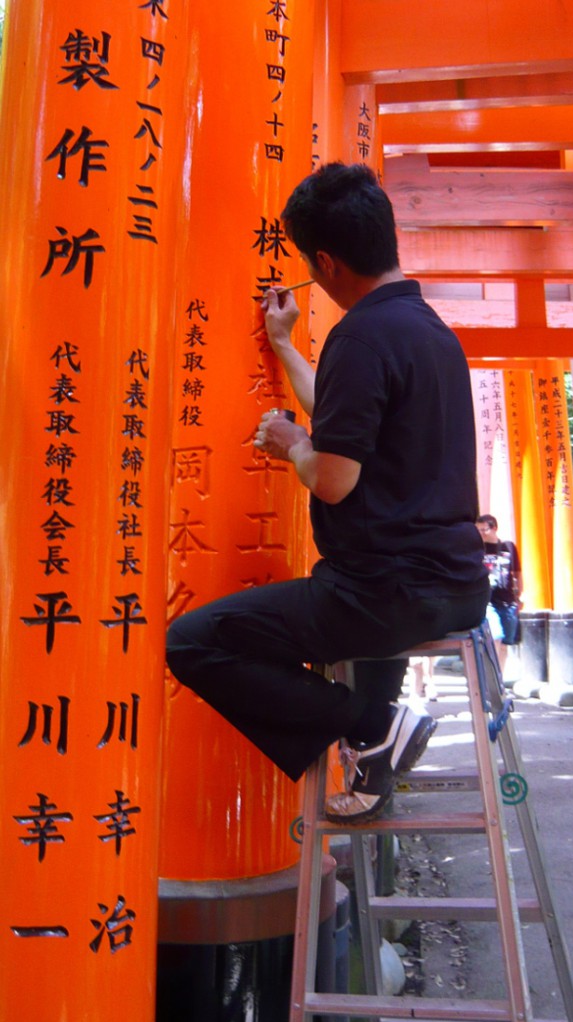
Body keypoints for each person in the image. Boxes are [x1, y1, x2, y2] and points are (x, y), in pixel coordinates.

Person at [166, 163, 489, 824]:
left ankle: (372, 721)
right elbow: (347, 430)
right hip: (452, 582)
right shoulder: (429, 332)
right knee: (359, 598)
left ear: (325, 260)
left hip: (383, 594)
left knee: (193, 643)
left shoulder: (362, 336)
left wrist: (289, 444)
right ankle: (374, 755)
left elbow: (334, 477)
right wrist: (283, 347)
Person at [476, 514, 522, 678]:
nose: (481, 533)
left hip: (508, 600)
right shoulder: (478, 549)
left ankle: (499, 680)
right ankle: (490, 678)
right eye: (479, 530)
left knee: (505, 644)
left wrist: (519, 596)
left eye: (484, 530)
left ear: (494, 528)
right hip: (488, 601)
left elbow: (517, 573)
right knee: (496, 636)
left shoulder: (508, 547)